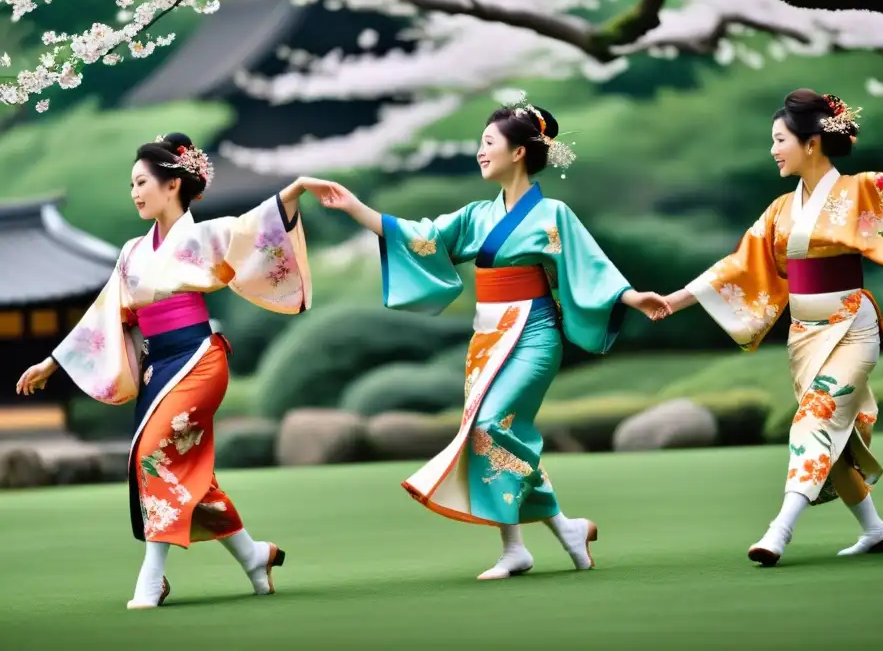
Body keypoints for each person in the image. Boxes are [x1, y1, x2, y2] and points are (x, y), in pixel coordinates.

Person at [323, 99, 669, 580]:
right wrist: (355, 207)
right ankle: (551, 534)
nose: (480, 152)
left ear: (520, 152)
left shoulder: (553, 214)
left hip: (533, 332)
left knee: (489, 427)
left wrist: (631, 298)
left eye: (489, 143)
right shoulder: (476, 215)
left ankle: (520, 546)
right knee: (494, 435)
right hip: (486, 337)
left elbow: (590, 267)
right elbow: (422, 239)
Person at [660, 89, 883, 566]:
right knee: (834, 438)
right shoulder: (781, 209)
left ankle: (779, 530)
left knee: (815, 418)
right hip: (804, 334)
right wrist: (672, 303)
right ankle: (875, 529)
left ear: (811, 144)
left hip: (851, 327)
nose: (773, 149)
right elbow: (739, 266)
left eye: (780, 139)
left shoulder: (858, 190)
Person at [16, 133, 345, 608]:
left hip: (197, 357)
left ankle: (152, 574)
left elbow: (255, 230)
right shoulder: (132, 251)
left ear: (172, 185)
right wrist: (53, 361)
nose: (134, 192)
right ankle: (254, 556)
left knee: (154, 453)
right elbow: (107, 313)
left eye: (142, 182)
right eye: (131, 184)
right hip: (157, 368)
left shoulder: (205, 234)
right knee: (185, 471)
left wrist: (291, 192)